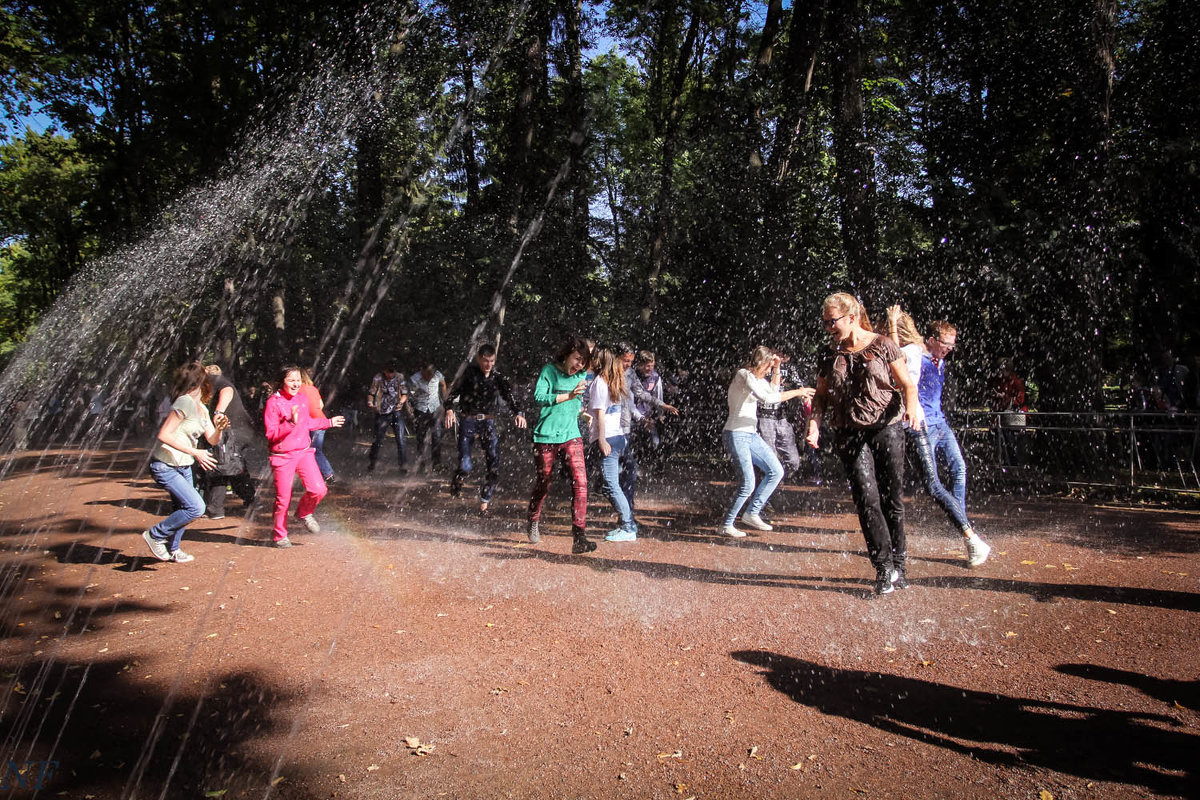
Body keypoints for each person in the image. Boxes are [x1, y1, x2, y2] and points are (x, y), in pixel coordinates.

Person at [806, 293, 924, 596]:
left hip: (887, 429)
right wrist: (814, 425)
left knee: (891, 499)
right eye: (825, 323)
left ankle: (901, 563)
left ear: (851, 318)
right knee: (866, 499)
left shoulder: (883, 344)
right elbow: (820, 395)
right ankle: (883, 567)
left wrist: (911, 407)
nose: (829, 327)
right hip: (849, 432)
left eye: (832, 322)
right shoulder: (829, 353)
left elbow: (907, 384)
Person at [886, 306, 990, 567]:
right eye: (946, 344)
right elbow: (897, 359)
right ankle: (965, 529)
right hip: (922, 425)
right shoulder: (917, 355)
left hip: (940, 423)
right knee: (932, 483)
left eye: (952, 345)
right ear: (931, 341)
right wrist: (891, 326)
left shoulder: (939, 360)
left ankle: (961, 519)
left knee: (959, 469)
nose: (949, 349)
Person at [141, 362, 229, 563]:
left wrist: (220, 428)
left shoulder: (202, 409)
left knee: (182, 508)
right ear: (200, 380)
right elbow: (164, 434)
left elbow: (212, 439)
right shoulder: (184, 402)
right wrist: (195, 452)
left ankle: (173, 549)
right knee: (196, 507)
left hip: (184, 465)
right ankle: (155, 535)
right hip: (165, 465)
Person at [721, 347, 809, 537]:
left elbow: (772, 392)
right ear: (760, 362)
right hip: (736, 434)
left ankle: (752, 513)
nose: (769, 372)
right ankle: (727, 524)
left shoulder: (756, 379)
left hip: (751, 434)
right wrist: (797, 392)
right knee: (748, 483)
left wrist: (777, 368)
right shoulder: (743, 375)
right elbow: (768, 398)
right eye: (769, 367)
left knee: (776, 471)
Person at [264, 365, 345, 548]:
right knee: (283, 498)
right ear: (281, 382)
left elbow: (307, 422)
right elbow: (271, 433)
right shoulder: (273, 402)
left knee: (319, 489)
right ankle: (279, 535)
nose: (295, 384)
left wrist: (328, 422)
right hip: (282, 455)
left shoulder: (301, 397)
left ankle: (303, 512)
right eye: (291, 380)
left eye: (298, 380)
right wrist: (290, 423)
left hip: (304, 452)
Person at [527, 336, 595, 553]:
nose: (579, 365)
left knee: (580, 482)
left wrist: (583, 415)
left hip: (571, 435)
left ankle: (579, 537)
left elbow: (575, 405)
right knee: (544, 482)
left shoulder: (582, 376)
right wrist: (567, 395)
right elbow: (539, 397)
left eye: (583, 362)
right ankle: (533, 519)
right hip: (545, 436)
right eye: (576, 359)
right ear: (567, 354)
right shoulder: (549, 371)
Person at [444, 344, 526, 513]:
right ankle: (458, 478)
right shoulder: (468, 374)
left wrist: (518, 412)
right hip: (468, 421)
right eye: (485, 361)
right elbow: (452, 393)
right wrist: (449, 411)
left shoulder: (497, 377)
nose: (489, 364)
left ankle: (484, 502)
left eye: (492, 361)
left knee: (494, 463)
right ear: (479, 359)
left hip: (487, 422)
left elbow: (509, 396)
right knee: (465, 465)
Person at [588, 347, 638, 542]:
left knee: (611, 484)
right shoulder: (613, 381)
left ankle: (628, 527)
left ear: (597, 362)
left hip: (607, 438)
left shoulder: (600, 382)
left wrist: (601, 439)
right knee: (608, 486)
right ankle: (627, 523)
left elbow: (600, 413)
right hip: (617, 437)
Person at [199, 363, 259, 519]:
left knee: (222, 465)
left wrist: (218, 412)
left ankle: (215, 508)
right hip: (239, 431)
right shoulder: (215, 383)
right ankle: (251, 499)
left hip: (235, 432)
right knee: (234, 466)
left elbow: (227, 391)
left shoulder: (219, 382)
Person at [756, 348, 815, 489]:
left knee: (794, 462)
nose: (784, 357)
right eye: (781, 354)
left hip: (782, 418)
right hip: (764, 416)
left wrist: (805, 397)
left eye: (786, 355)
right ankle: (764, 488)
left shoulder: (790, 368)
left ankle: (774, 479)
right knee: (769, 457)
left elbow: (799, 387)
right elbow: (768, 395)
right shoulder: (765, 367)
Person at [628, 350, 679, 470]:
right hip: (631, 417)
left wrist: (660, 415)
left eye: (652, 365)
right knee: (630, 444)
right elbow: (629, 404)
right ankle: (632, 468)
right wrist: (641, 418)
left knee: (655, 442)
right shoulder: (631, 377)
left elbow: (658, 396)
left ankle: (651, 467)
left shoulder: (655, 377)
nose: (649, 368)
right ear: (639, 364)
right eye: (647, 366)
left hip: (648, 417)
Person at [367, 365, 409, 474]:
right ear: (384, 371)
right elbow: (371, 393)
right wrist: (370, 402)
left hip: (396, 411)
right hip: (382, 412)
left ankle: (403, 466)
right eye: (388, 372)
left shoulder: (400, 378)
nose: (390, 374)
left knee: (401, 439)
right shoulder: (378, 378)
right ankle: (372, 463)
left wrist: (401, 402)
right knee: (378, 439)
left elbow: (405, 394)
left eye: (392, 372)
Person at [299, 368, 336, 483]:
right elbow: (321, 405)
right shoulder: (313, 389)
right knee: (313, 449)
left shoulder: (298, 390)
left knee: (313, 450)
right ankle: (322, 474)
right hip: (321, 420)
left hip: (312, 422)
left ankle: (328, 474)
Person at [409, 361, 448, 470]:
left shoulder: (437, 375)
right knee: (421, 437)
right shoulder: (414, 379)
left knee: (437, 436)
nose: (428, 377)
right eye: (426, 375)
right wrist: (413, 405)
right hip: (420, 410)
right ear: (422, 371)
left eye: (430, 375)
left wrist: (444, 399)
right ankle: (421, 463)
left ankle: (437, 463)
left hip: (435, 409)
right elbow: (410, 395)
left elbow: (443, 383)